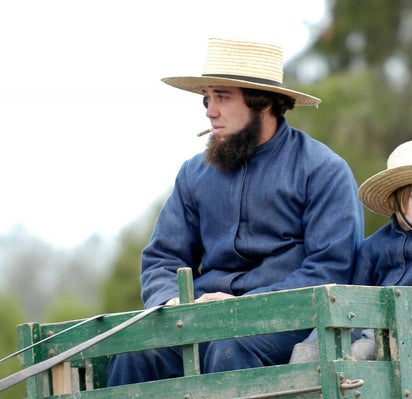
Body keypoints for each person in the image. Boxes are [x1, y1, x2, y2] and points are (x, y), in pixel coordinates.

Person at [107, 37, 364, 385]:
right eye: (207, 99)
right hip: (201, 319)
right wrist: (169, 300)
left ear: (262, 102)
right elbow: (163, 258)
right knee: (136, 351)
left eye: (222, 97)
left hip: (288, 321)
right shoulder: (193, 174)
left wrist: (244, 306)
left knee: (229, 348)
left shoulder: (323, 170)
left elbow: (330, 269)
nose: (210, 110)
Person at [289, 139, 412, 363]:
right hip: (371, 321)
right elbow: (356, 294)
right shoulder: (373, 246)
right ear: (395, 201)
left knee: (363, 351)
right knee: (313, 347)